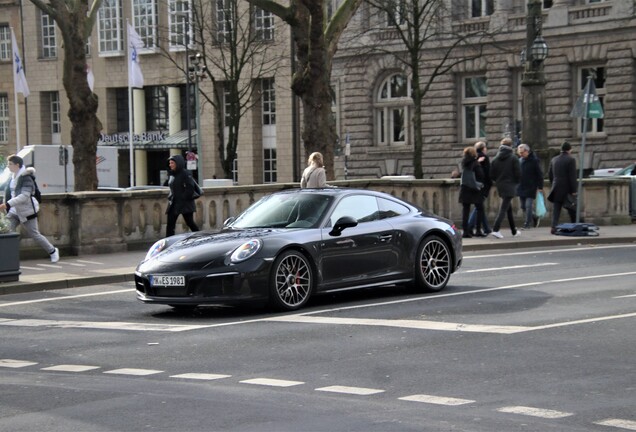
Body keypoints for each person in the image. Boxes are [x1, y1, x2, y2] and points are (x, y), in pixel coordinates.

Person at [0, 155, 59, 262]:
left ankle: (53, 251)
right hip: (13, 211)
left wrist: (7, 204)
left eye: (10, 164)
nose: (8, 166)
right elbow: (8, 193)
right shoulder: (12, 177)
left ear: (17, 165)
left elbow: (24, 196)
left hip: (27, 211)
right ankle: (9, 258)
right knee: (7, 233)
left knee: (35, 234)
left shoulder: (26, 177)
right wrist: (6, 204)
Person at [489, 137, 521, 239]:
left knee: (508, 208)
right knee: (503, 209)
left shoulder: (495, 159)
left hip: (500, 185)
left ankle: (514, 231)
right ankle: (496, 229)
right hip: (510, 185)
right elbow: (518, 173)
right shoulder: (513, 158)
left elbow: (491, 174)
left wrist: (498, 180)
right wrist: (516, 181)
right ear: (510, 146)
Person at [165, 154, 200, 237]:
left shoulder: (186, 174)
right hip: (174, 203)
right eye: (169, 163)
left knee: (190, 222)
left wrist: (183, 198)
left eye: (172, 163)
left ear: (178, 163)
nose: (170, 165)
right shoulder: (171, 174)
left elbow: (190, 188)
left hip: (185, 203)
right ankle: (168, 240)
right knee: (170, 224)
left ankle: (199, 237)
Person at [548, 141, 577, 234]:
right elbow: (572, 176)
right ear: (569, 150)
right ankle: (575, 225)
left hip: (556, 187)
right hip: (566, 188)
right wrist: (574, 190)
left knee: (556, 209)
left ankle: (553, 227)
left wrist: (554, 183)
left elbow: (550, 174)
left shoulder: (554, 159)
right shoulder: (571, 160)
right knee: (572, 208)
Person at [458, 146, 485, 238]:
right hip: (474, 189)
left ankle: (465, 231)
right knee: (480, 208)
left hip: (465, 188)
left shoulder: (463, 162)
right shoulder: (475, 163)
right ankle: (478, 229)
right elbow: (481, 175)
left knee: (465, 210)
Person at [467, 141, 491, 235]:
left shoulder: (473, 158)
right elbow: (487, 173)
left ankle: (486, 228)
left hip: (474, 185)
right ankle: (470, 226)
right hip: (482, 186)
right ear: (483, 148)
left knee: (479, 207)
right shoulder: (484, 158)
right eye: (485, 147)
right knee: (478, 208)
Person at [516, 143, 544, 229]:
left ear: (527, 151)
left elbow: (539, 174)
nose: (520, 154)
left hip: (531, 186)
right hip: (521, 186)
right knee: (523, 207)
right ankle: (535, 217)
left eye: (522, 152)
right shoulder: (520, 160)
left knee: (528, 206)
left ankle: (527, 224)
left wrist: (540, 187)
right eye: (519, 152)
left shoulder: (534, 160)